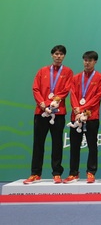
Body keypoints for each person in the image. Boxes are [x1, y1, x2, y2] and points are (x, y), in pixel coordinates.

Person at [24, 45, 74, 184]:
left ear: (64, 56)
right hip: (41, 112)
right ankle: (35, 173)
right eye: (56, 54)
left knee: (57, 143)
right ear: (52, 55)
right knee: (38, 143)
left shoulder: (68, 72)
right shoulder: (42, 71)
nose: (58, 56)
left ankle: (57, 173)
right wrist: (43, 104)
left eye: (61, 54)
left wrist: (52, 102)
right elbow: (35, 89)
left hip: (58, 112)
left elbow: (66, 90)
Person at [63, 51, 101, 184]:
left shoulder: (100, 77)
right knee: (74, 146)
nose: (87, 63)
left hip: (91, 116)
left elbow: (97, 97)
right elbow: (73, 95)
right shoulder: (76, 77)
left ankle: (91, 172)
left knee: (92, 145)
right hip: (76, 117)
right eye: (85, 60)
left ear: (95, 62)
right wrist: (76, 108)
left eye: (90, 60)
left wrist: (82, 108)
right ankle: (73, 173)